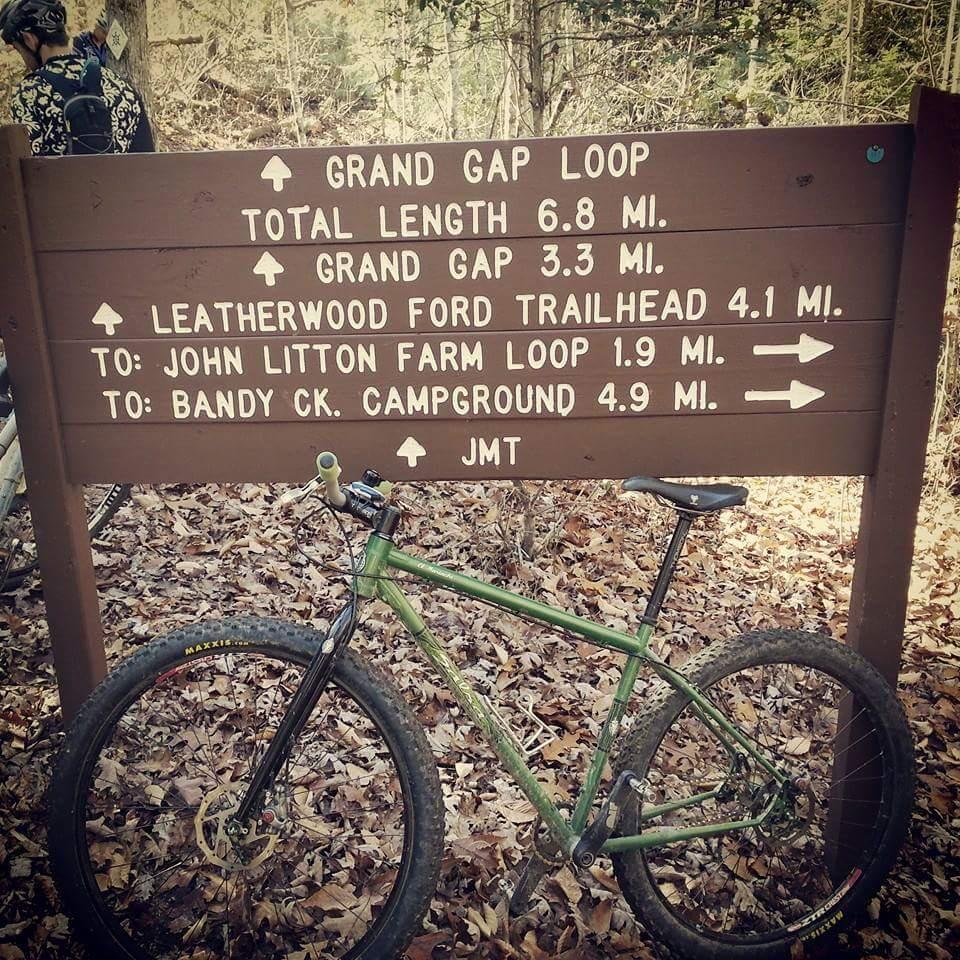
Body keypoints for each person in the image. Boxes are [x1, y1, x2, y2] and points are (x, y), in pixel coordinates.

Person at [0, 0, 153, 155]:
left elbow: (25, 165)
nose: (25, 60)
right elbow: (147, 165)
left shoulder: (29, 93)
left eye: (20, 51)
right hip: (121, 179)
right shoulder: (123, 89)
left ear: (29, 39)